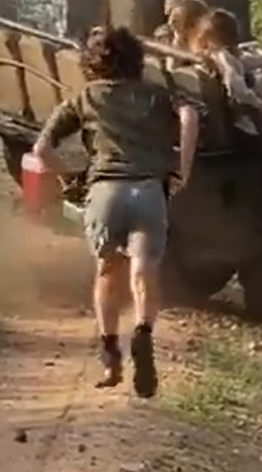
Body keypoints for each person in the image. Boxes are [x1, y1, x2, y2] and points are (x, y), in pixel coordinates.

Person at [30, 26, 201, 397]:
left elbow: (41, 149)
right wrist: (182, 170)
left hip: (104, 190)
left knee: (107, 270)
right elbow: (189, 116)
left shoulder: (84, 98)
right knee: (144, 267)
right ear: (137, 58)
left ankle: (110, 354)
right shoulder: (156, 95)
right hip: (148, 188)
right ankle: (142, 331)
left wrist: (70, 177)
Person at [191, 8, 262, 135]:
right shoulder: (222, 56)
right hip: (248, 113)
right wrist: (257, 103)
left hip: (245, 111)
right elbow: (233, 82)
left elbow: (250, 61)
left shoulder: (212, 54)